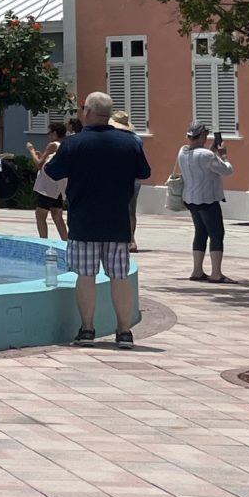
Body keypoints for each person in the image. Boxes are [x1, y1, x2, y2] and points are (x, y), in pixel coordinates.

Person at [44, 92, 152, 346]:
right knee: (119, 276)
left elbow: (52, 172)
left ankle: (88, 329)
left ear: (88, 112)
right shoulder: (129, 143)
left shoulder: (73, 143)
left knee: (86, 275)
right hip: (117, 220)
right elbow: (144, 172)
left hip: (84, 220)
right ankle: (124, 331)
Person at [179, 122, 232, 283]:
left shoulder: (182, 152)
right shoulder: (206, 155)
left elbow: (200, 160)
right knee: (216, 234)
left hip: (190, 198)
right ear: (202, 136)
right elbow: (227, 170)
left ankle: (197, 270)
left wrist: (211, 151)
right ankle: (216, 273)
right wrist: (223, 155)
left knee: (200, 232)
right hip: (207, 199)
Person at [29, 121, 69, 240]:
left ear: (55, 133)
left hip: (47, 187)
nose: (48, 136)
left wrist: (31, 151)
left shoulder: (53, 145)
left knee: (40, 216)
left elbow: (40, 165)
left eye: (50, 133)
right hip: (59, 185)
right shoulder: (65, 145)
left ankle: (43, 241)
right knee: (57, 215)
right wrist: (41, 156)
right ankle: (66, 241)